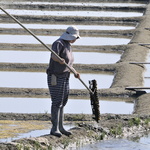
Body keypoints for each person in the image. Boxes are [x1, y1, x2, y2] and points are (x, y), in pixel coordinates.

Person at [47, 26, 80, 137]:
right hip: (55, 76)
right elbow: (54, 56)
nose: (76, 40)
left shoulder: (68, 45)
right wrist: (59, 60)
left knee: (63, 101)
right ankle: (54, 128)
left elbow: (69, 64)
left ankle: (61, 128)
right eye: (75, 37)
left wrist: (75, 72)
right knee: (57, 102)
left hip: (66, 76)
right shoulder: (58, 43)